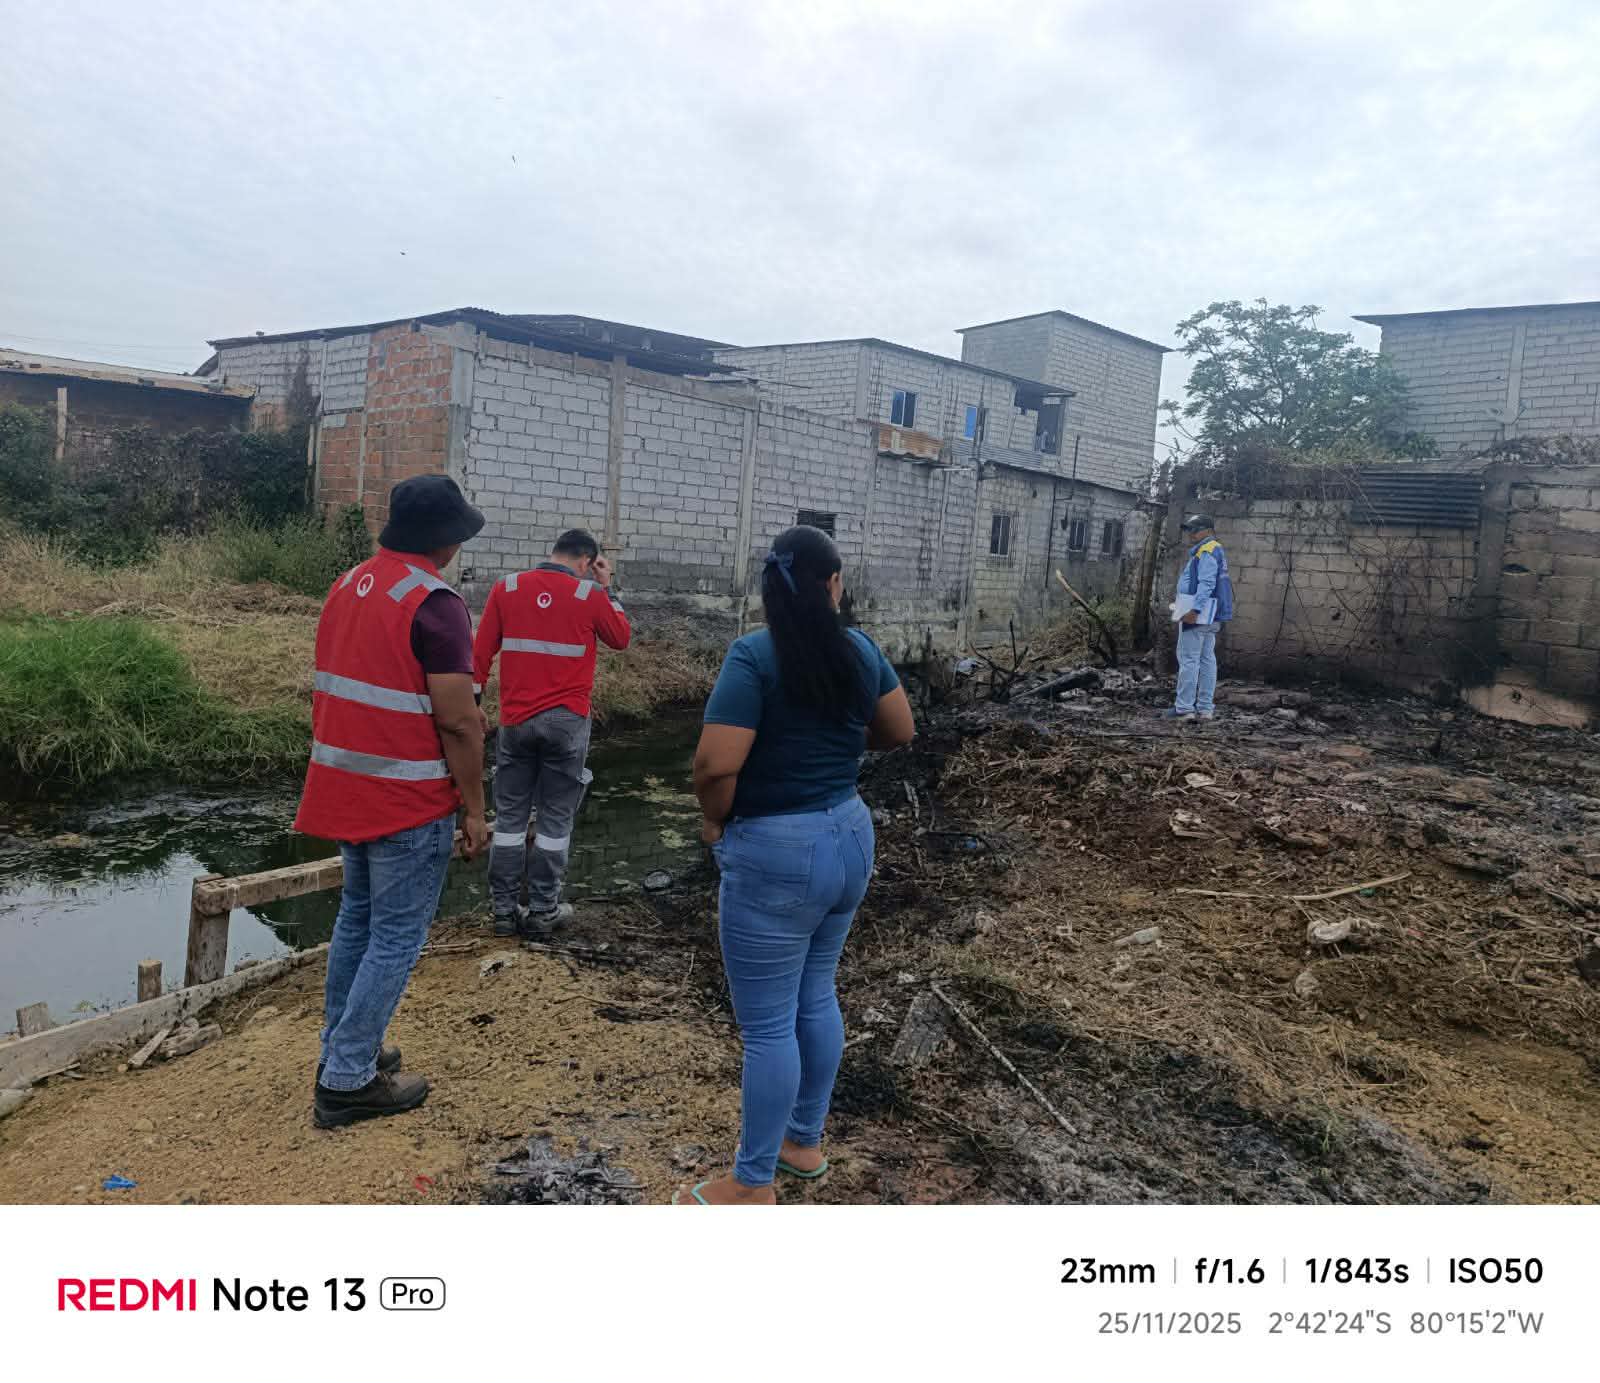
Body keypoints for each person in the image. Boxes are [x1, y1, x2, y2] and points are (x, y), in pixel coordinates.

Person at [677, 524, 915, 1205]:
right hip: (850, 835)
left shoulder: (754, 655)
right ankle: (803, 1142)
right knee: (816, 991)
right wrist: (836, 746)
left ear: (769, 591)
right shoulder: (860, 649)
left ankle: (751, 1184)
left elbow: (714, 764)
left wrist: (715, 819)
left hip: (778, 853)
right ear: (833, 583)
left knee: (768, 1025)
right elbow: (900, 730)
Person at [295, 474, 491, 1128]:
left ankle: (343, 1046)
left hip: (347, 786)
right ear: (445, 539)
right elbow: (459, 722)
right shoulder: (436, 603)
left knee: (357, 920)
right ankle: (348, 1079)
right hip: (406, 796)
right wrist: (474, 809)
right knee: (396, 936)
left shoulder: (349, 583)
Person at [472, 528, 631, 938]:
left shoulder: (507, 588)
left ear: (554, 551)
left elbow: (480, 652)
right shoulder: (589, 594)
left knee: (509, 819)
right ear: (586, 561)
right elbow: (620, 638)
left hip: (516, 722)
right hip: (566, 723)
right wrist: (607, 587)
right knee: (555, 819)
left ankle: (503, 912)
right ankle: (543, 910)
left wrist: (474, 703)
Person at [1167, 512, 1234, 721]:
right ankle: (1205, 709)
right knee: (1206, 660)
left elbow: (1206, 583)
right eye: (1189, 530)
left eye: (1195, 530)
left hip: (1199, 615)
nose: (1191, 533)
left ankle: (1184, 708)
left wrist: (1194, 611)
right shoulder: (1215, 550)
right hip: (1211, 614)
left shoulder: (1206, 550)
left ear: (1208, 531)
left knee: (1189, 660)